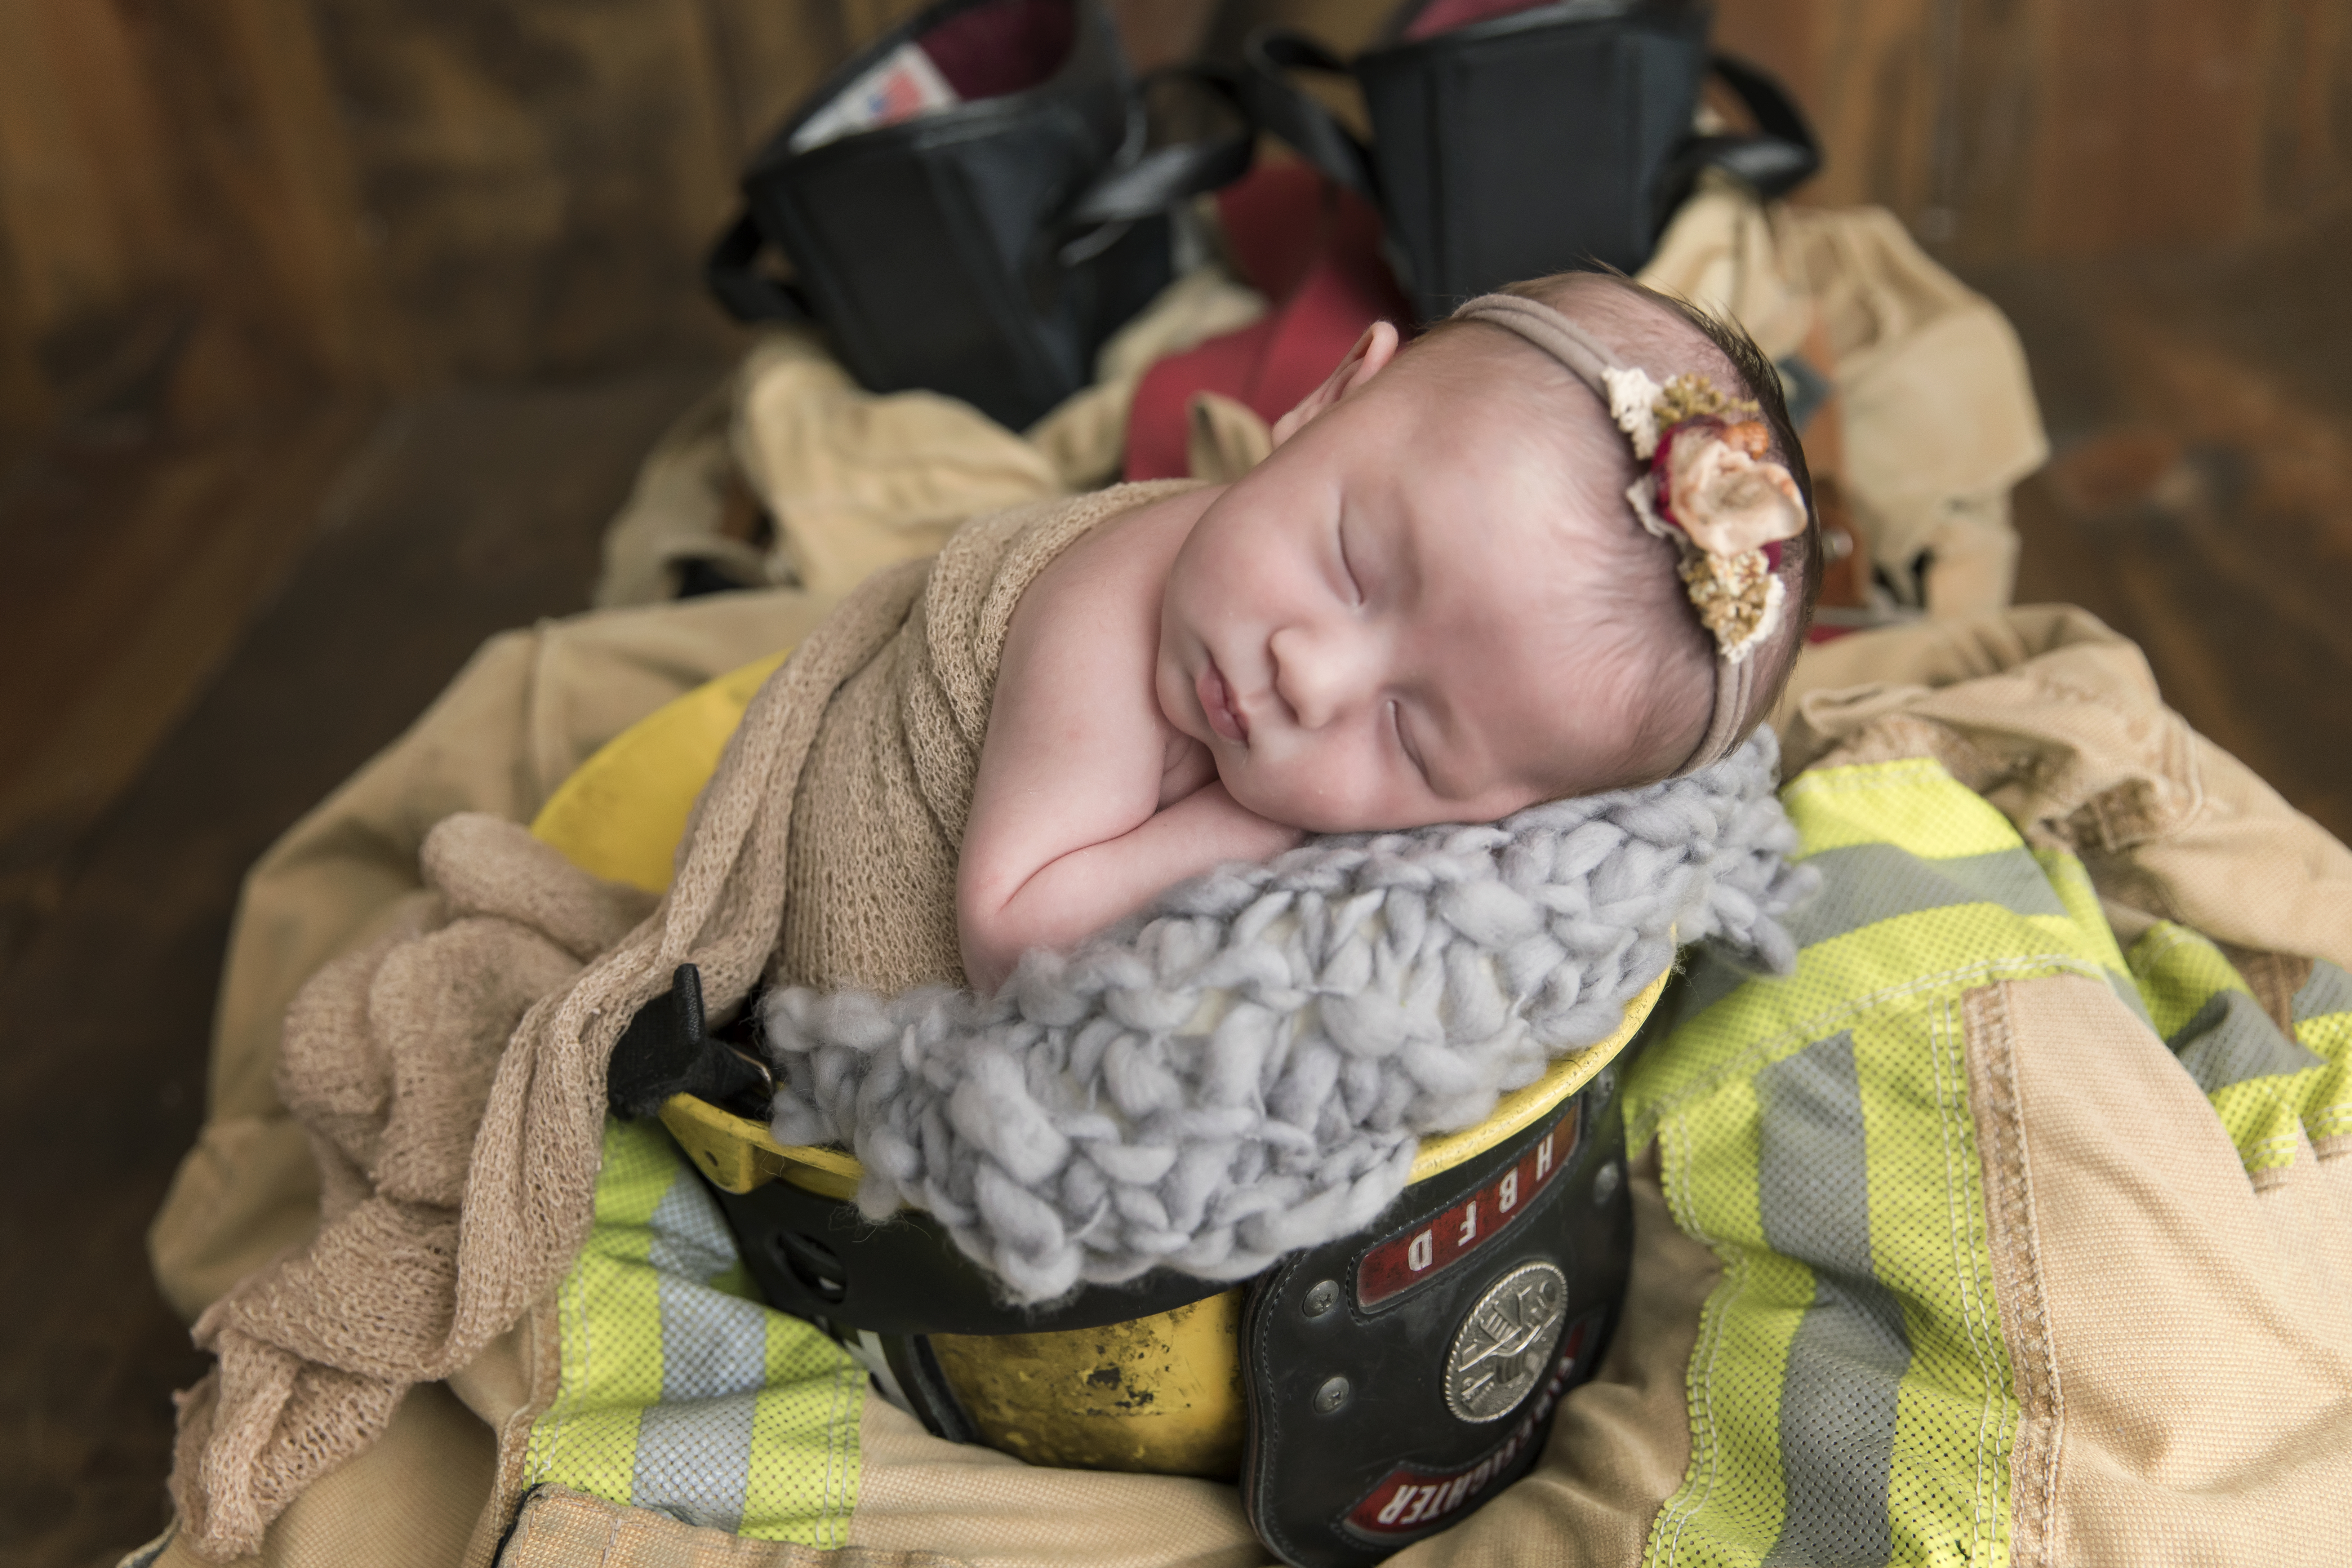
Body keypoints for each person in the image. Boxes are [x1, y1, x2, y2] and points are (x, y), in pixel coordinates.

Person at [959, 270, 1824, 989]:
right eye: (1350, 568)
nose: (1313, 679)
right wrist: (1254, 829)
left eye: (1409, 737)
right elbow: (1007, 943)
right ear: (1333, 397)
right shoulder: (1106, 611)